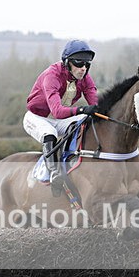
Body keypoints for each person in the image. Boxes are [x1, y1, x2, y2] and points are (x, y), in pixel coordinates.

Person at [23, 39, 98, 193]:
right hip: (37, 117)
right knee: (49, 133)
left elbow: (97, 106)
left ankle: (79, 161)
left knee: (87, 121)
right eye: (79, 64)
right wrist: (82, 109)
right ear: (67, 62)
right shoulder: (52, 75)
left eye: (87, 64)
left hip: (60, 119)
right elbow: (57, 111)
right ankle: (54, 173)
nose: (83, 69)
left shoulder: (85, 78)